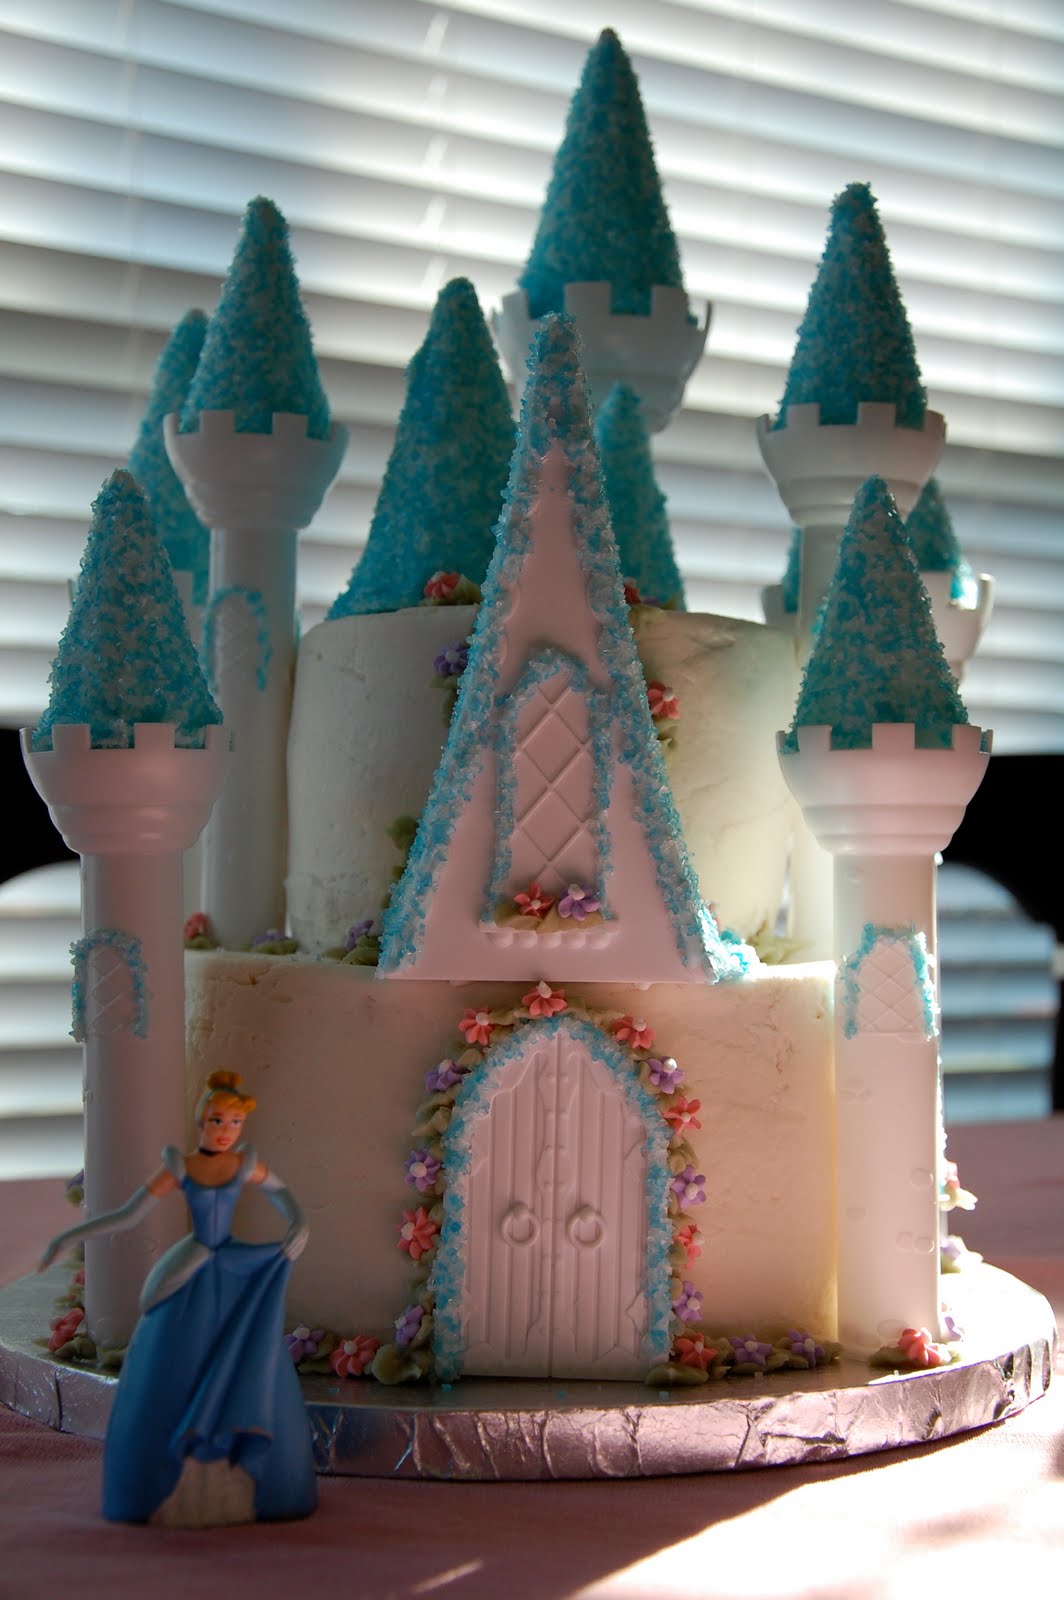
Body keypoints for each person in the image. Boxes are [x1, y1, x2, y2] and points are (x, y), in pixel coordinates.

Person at [40, 1070, 316, 1526]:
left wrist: (299, 1224)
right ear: (201, 1121)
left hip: (235, 1266)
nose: (225, 1131)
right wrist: (69, 1236)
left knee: (250, 1349)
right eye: (217, 1120)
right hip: (191, 1266)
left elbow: (284, 1198)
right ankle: (165, 1483)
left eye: (234, 1123)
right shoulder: (181, 1167)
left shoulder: (243, 1164)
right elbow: (128, 1215)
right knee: (172, 1355)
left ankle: (254, 1480)